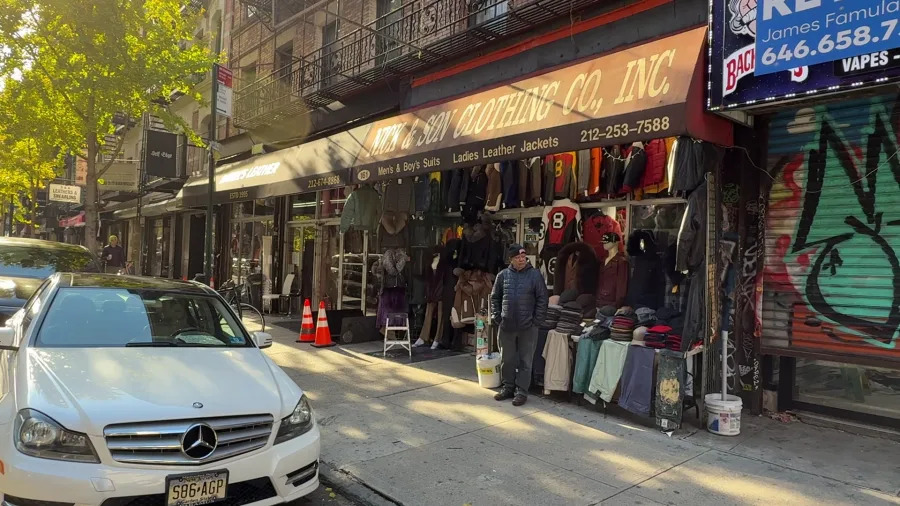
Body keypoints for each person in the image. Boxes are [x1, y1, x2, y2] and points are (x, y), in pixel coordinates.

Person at [491, 243, 548, 406]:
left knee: (525, 361)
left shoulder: (535, 275)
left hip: (528, 327)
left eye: (523, 257)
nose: (522, 260)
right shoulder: (502, 276)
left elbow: (543, 299)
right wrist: (497, 317)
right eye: (518, 257)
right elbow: (495, 298)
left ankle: (522, 391)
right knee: (507, 360)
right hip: (506, 326)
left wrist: (536, 321)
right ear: (511, 259)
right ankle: (508, 387)